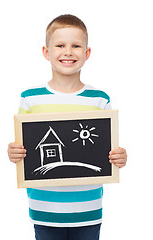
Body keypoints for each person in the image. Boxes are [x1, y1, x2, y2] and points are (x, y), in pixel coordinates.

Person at [8, 14, 127, 240]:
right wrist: (13, 152)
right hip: (44, 208)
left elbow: (109, 149)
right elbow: (21, 146)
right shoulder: (30, 98)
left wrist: (120, 157)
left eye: (76, 45)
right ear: (46, 52)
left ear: (87, 53)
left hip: (88, 208)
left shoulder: (99, 99)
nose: (68, 52)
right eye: (60, 45)